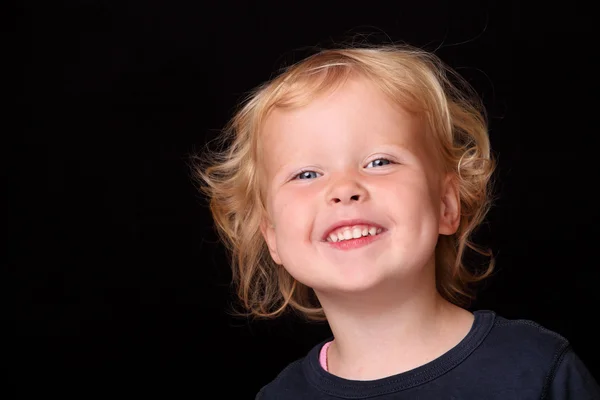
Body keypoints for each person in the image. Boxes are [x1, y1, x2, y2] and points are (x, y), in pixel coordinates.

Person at [196, 44, 600, 399]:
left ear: (446, 205)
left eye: (379, 162)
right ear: (273, 239)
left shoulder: (536, 370)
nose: (344, 188)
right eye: (306, 174)